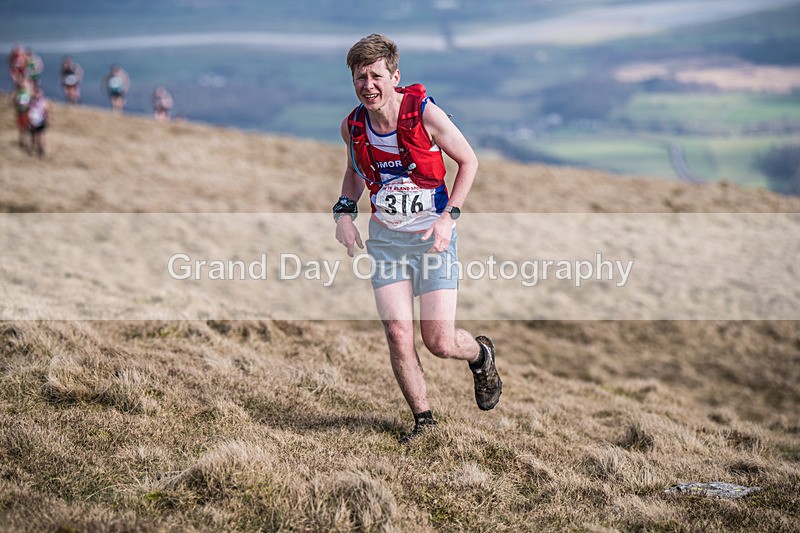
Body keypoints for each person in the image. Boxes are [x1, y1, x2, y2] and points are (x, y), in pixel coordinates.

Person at [334, 34, 502, 444]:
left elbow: (468, 161)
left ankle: (480, 355)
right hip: (387, 242)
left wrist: (449, 218)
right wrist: (343, 212)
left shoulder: (426, 114)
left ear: (395, 75)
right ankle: (424, 421)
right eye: (360, 77)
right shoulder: (353, 126)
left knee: (439, 342)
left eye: (375, 75)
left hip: (432, 239)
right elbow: (356, 170)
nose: (367, 85)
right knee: (397, 334)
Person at [26, 86, 51, 157]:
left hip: (41, 122)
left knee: (41, 138)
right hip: (33, 123)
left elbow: (47, 112)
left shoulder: (44, 102)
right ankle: (35, 151)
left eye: (38, 93)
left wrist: (47, 119)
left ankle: (43, 152)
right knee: (34, 138)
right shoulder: (31, 102)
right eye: (35, 93)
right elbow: (29, 112)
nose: (37, 95)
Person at [13, 77, 33, 149]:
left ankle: (27, 142)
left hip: (26, 113)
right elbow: (14, 102)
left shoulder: (28, 92)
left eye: (24, 82)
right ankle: (22, 141)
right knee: (21, 128)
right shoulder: (17, 92)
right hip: (20, 113)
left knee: (28, 128)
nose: (22, 84)